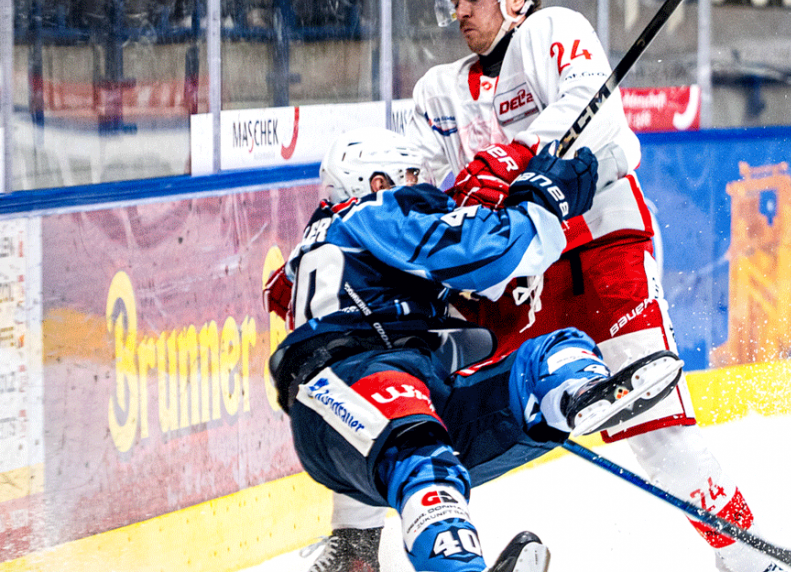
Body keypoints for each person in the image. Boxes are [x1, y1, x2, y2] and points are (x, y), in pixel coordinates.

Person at [308, 0, 785, 572]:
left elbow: (602, 122)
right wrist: (346, 208)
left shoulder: (551, 31)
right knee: (392, 375)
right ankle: (355, 546)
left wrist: (513, 159)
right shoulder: (436, 93)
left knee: (655, 429)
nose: (460, 12)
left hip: (598, 253)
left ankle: (749, 562)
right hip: (505, 278)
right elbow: (406, 182)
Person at [266, 127, 684, 572]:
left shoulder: (338, 247)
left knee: (549, 356)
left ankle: (575, 396)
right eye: (409, 175)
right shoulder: (372, 213)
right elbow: (486, 250)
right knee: (420, 452)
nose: (421, 186)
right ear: (376, 183)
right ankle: (437, 563)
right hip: (347, 385)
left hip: (404, 393)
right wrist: (540, 202)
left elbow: (469, 302)